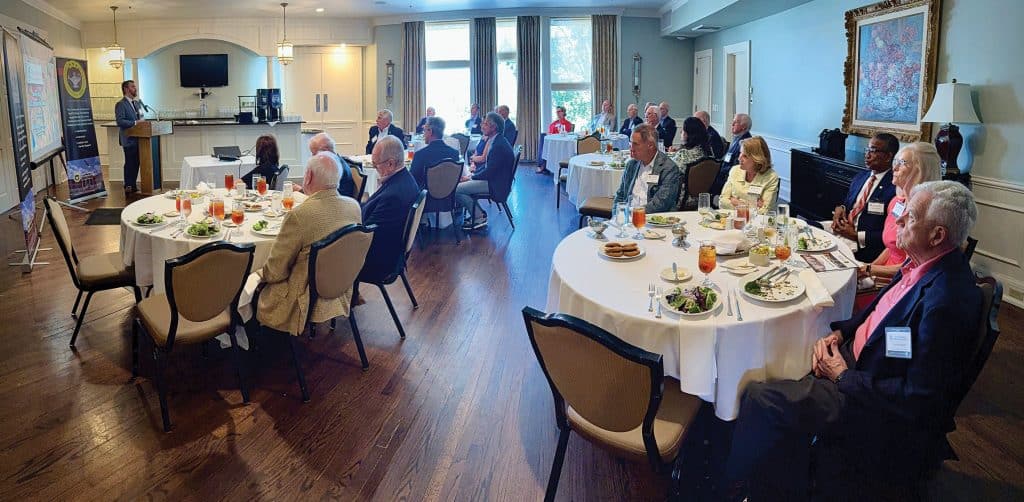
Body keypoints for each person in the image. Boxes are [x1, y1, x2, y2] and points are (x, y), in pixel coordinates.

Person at [725, 181, 982, 501]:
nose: (899, 221)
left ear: (937, 235)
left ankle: (733, 485)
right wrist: (842, 332)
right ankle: (781, 471)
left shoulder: (949, 302)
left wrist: (843, 375)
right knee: (777, 356)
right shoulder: (922, 263)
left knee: (761, 396)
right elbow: (879, 310)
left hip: (867, 398)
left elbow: (919, 398)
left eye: (910, 217)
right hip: (855, 359)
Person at [254, 153, 362, 335]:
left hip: (304, 296)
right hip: (340, 286)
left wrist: (256, 273)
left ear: (308, 176)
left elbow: (274, 272)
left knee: (249, 281)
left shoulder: (300, 216)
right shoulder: (354, 207)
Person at [857, 142, 943, 283]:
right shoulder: (896, 202)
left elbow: (911, 267)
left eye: (902, 163)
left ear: (920, 170)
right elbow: (891, 249)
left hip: (903, 281)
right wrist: (869, 267)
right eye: (895, 161)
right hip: (882, 273)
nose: (894, 167)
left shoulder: (926, 214)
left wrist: (867, 270)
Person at [359, 136, 421, 285]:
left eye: (376, 165)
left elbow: (366, 235)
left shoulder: (393, 196)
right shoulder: (405, 179)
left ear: (391, 163)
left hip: (379, 262)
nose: (375, 169)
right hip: (390, 252)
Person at [833, 133, 899, 262]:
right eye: (867, 149)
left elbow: (891, 235)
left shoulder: (895, 188)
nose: (867, 155)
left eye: (873, 151)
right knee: (805, 228)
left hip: (862, 245)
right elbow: (847, 203)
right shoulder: (861, 176)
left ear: (888, 156)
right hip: (842, 230)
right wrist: (840, 209)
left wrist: (856, 235)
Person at [456, 112, 514, 230]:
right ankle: (477, 214)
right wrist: (473, 175)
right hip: (496, 180)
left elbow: (489, 172)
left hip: (496, 185)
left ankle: (478, 217)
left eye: (486, 124)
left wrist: (471, 177)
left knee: (455, 189)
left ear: (494, 127)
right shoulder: (497, 140)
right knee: (462, 183)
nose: (482, 126)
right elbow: (490, 167)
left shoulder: (498, 145)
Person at [611, 124, 681, 214]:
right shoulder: (631, 165)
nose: (631, 148)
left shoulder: (668, 168)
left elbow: (661, 204)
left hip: (654, 220)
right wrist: (616, 215)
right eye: (630, 143)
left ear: (650, 146)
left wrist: (634, 214)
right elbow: (620, 195)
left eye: (635, 144)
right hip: (628, 219)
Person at [718, 136, 780, 215]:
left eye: (745, 156)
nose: (739, 158)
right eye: (740, 153)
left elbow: (764, 212)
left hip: (757, 224)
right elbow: (722, 202)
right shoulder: (735, 170)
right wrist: (752, 206)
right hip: (733, 219)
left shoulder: (771, 177)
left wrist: (735, 201)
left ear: (757, 159)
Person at [410, 116, 460, 189]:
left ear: (430, 131)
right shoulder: (454, 153)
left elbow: (413, 181)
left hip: (425, 198)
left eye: (424, 131)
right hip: (448, 198)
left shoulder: (420, 154)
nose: (424, 135)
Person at [114, 80, 145, 193]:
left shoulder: (136, 103)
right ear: (126, 89)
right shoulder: (121, 104)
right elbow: (120, 121)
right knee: (130, 162)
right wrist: (135, 123)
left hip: (139, 138)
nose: (135, 88)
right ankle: (128, 185)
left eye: (135, 86)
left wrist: (142, 121)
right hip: (128, 139)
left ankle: (133, 185)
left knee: (136, 162)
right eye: (132, 87)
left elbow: (141, 118)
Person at [712, 113, 752, 196]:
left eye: (735, 122)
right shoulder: (736, 138)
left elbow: (738, 166)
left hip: (729, 177)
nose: (732, 124)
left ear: (744, 127)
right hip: (723, 173)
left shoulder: (745, 143)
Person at [309, 133, 356, 199]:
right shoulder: (335, 161)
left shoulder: (333, 168)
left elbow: (324, 195)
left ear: (326, 151)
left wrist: (301, 190)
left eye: (314, 154)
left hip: (338, 205)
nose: (313, 157)